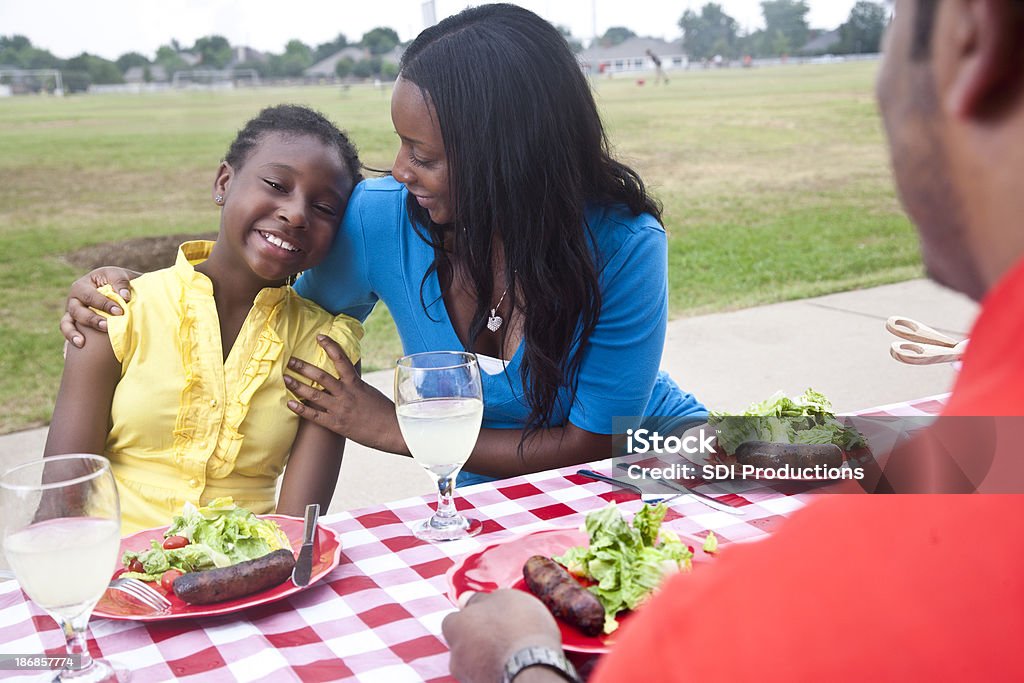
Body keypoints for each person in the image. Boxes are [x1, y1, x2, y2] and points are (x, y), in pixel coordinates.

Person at [441, 0, 1024, 680]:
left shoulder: (765, 627)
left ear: (968, 33)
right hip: (665, 449)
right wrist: (804, 445)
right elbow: (981, 449)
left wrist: (522, 660)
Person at [62, 4, 706, 487]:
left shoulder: (624, 246)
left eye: (423, 154)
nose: (398, 170)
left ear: (506, 160)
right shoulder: (383, 220)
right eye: (400, 144)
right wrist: (128, 288)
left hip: (660, 451)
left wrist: (393, 427)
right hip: (499, 504)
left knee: (799, 474)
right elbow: (266, 302)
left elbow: (592, 443)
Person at [47, 105, 364, 533]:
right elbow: (62, 502)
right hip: (113, 576)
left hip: (249, 577)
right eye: (276, 184)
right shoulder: (117, 311)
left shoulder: (326, 347)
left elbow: (297, 532)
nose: (297, 213)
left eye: (325, 208)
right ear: (223, 182)